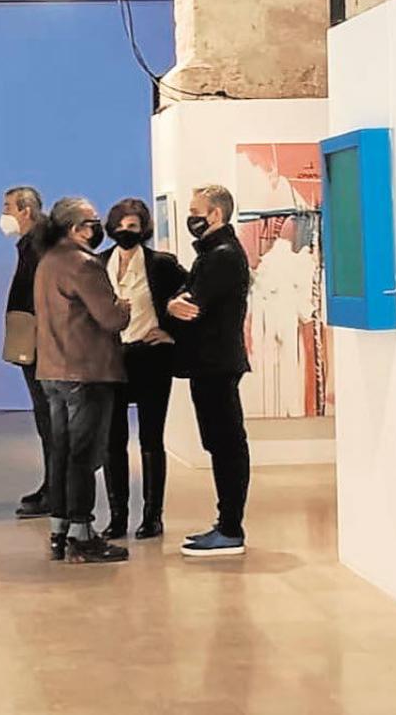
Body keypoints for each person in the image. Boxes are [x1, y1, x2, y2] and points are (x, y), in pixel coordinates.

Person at [34, 197, 131, 564]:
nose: (98, 228)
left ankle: (59, 529)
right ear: (76, 227)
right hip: (86, 371)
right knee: (83, 456)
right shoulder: (83, 263)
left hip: (53, 371)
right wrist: (124, 306)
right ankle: (82, 533)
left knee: (61, 452)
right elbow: (111, 318)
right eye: (92, 222)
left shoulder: (48, 261)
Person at [167, 185, 252, 557]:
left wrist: (174, 306)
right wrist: (174, 304)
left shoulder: (222, 256)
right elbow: (184, 298)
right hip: (211, 362)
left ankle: (231, 527)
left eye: (195, 210)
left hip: (216, 362)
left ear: (215, 214)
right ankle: (227, 523)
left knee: (227, 443)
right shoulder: (214, 255)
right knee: (221, 442)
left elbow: (191, 305)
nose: (191, 217)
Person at [98, 198, 189, 540]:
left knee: (151, 438)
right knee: (112, 440)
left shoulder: (162, 264)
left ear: (143, 229)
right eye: (121, 226)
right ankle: (117, 516)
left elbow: (192, 296)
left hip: (151, 358)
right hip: (111, 358)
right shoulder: (99, 263)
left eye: (133, 226)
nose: (126, 231)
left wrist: (171, 332)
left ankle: (152, 516)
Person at [0, 186, 55, 518]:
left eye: (8, 207)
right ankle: (51, 484)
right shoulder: (31, 245)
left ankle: (56, 489)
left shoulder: (39, 245)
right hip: (31, 339)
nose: (4, 214)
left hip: (41, 342)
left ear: (26, 210)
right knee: (45, 417)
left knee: (50, 417)